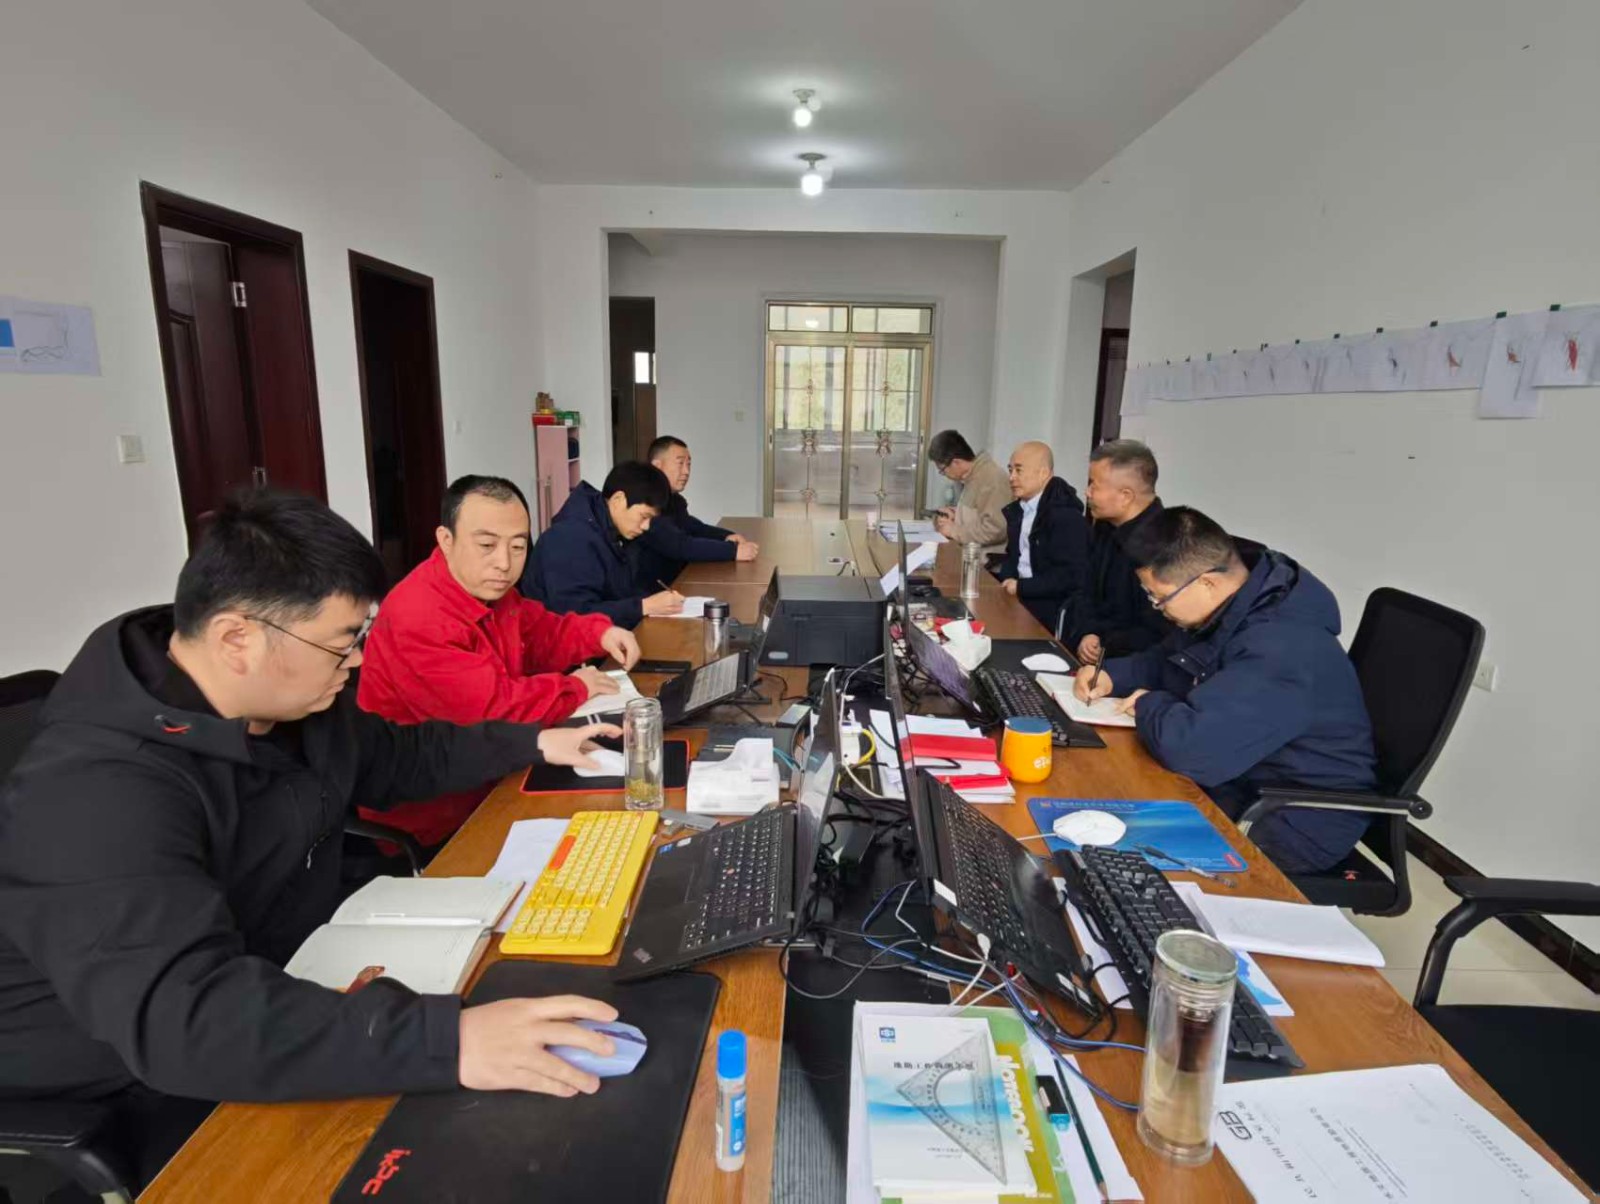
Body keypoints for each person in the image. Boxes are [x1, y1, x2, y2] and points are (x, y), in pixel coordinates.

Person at [0, 492, 623, 1192]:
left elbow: (397, 756)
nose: (356, 662)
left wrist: (535, 741)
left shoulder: (290, 700)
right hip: (142, 1071)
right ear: (237, 639)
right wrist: (450, 1040)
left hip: (291, 978)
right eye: (341, 643)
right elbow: (187, 1021)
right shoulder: (95, 791)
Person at [1073, 506, 1377, 873]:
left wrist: (1150, 704)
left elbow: (1193, 751)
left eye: (1160, 598)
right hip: (1240, 776)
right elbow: (1170, 661)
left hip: (1294, 817)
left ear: (1207, 583)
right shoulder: (1232, 608)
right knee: (1102, 799)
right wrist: (1111, 675)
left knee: (1118, 857)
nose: (1157, 608)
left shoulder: (1282, 646)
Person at [355, 475, 644, 851]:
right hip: (443, 817)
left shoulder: (492, 591)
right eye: (487, 545)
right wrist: (577, 686)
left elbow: (541, 633)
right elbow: (494, 711)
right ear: (446, 540)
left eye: (518, 546)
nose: (504, 563)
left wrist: (599, 633)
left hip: (503, 769)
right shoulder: (419, 615)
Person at [520, 461, 683, 628]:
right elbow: (576, 615)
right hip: (562, 640)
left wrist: (653, 601)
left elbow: (621, 593)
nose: (646, 526)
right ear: (618, 500)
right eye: (644, 516)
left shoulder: (613, 529)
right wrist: (643, 606)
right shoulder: (571, 538)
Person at [1062, 439, 1169, 665]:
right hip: (1091, 651)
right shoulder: (1105, 525)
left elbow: (1156, 632)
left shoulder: (1163, 545)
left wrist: (1103, 642)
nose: (1087, 493)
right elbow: (1084, 588)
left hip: (1130, 666)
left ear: (1126, 496)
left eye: (1094, 485)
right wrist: (1088, 632)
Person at [633, 435, 759, 588]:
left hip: (677, 583)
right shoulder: (646, 504)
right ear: (657, 466)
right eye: (680, 463)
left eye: (689, 464)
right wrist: (733, 551)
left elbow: (693, 527)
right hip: (651, 591)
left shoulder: (674, 499)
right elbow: (680, 545)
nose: (686, 471)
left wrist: (725, 536)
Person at [996, 440, 1089, 631]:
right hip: (1017, 596)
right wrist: (1007, 580)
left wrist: (1021, 587)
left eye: (1019, 470)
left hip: (1045, 607)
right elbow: (1013, 556)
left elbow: (1069, 576)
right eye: (1010, 470)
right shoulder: (1020, 509)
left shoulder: (1065, 516)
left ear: (1044, 473)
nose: (1011, 477)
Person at [927, 429, 1009, 552]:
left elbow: (995, 530)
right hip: (971, 555)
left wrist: (953, 530)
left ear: (956, 462)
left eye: (942, 470)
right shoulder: (972, 477)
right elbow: (979, 512)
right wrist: (955, 514)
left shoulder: (992, 479)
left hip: (987, 561)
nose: (944, 475)